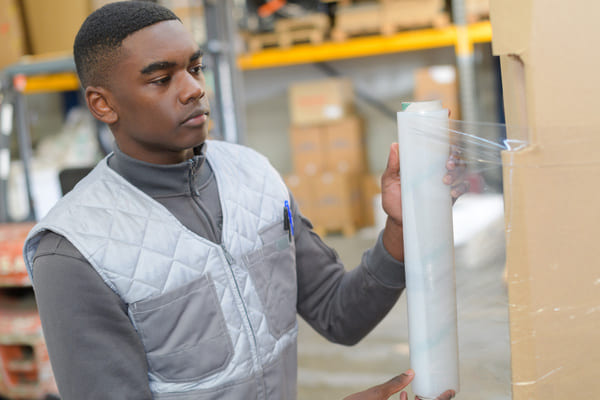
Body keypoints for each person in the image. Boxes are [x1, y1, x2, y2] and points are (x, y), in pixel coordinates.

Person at [22, 2, 463, 399]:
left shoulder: (253, 176)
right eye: (161, 79)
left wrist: (400, 231)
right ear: (102, 105)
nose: (193, 88)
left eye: (195, 68)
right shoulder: (74, 251)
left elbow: (338, 315)